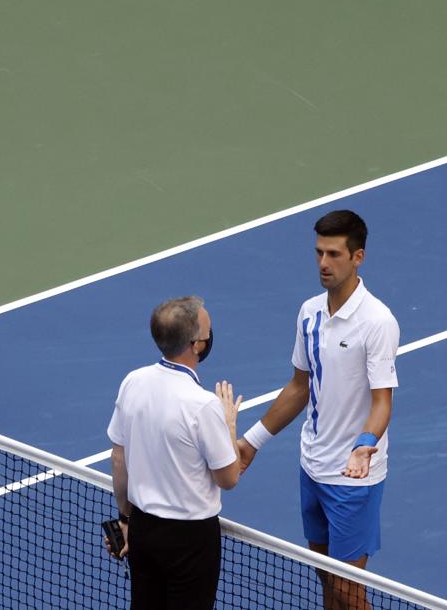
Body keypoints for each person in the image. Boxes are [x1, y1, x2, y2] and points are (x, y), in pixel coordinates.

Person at [237, 210, 399, 610]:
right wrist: (251, 442)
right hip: (312, 466)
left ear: (357, 257)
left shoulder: (378, 322)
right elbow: (298, 387)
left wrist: (363, 446)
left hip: (353, 478)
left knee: (348, 590)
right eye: (318, 253)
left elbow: (382, 401)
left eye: (333, 254)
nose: (323, 264)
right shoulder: (309, 312)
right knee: (325, 576)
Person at [106, 296, 242, 609]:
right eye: (207, 332)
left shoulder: (133, 382)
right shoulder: (203, 405)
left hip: (143, 528)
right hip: (190, 541)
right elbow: (229, 477)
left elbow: (118, 459)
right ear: (196, 345)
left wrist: (125, 519)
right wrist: (229, 424)